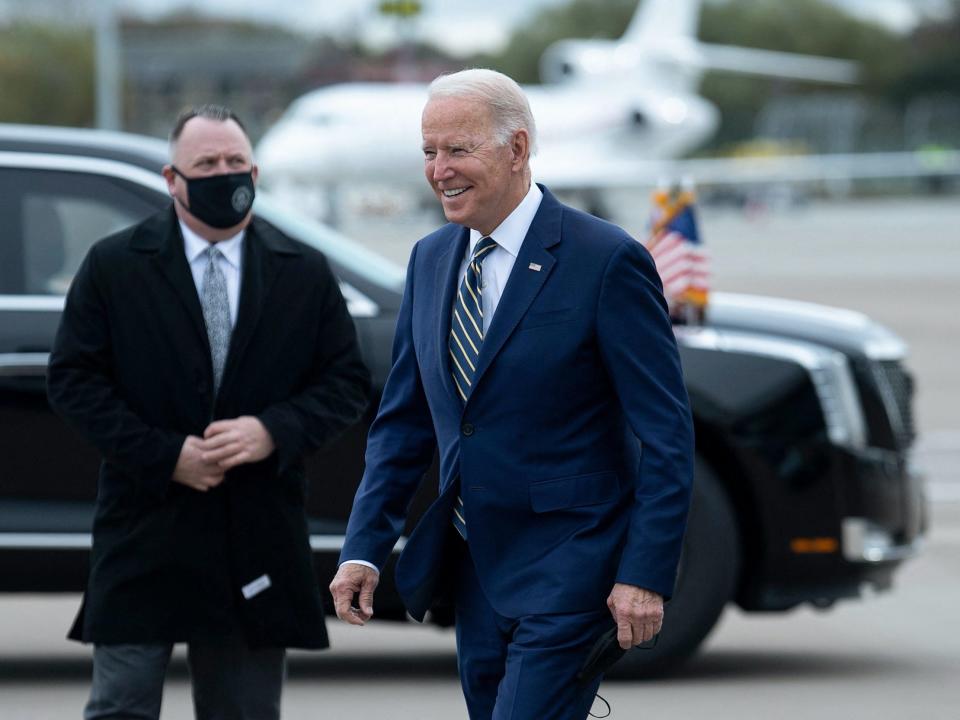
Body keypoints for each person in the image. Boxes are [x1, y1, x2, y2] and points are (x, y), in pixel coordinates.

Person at [329, 69, 694, 719]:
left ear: (517, 149)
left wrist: (644, 574)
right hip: (472, 574)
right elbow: (404, 425)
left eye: (458, 150)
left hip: (570, 566)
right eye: (429, 152)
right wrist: (364, 546)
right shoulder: (430, 259)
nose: (439, 170)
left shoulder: (605, 259)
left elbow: (665, 434)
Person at [47, 105, 370, 720]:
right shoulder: (115, 266)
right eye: (206, 164)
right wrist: (166, 455)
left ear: (254, 168)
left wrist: (271, 432)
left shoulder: (302, 272)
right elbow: (74, 380)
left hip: (254, 533)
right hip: (144, 527)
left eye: (235, 163)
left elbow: (345, 382)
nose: (225, 174)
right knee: (120, 705)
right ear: (173, 179)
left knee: (243, 712)